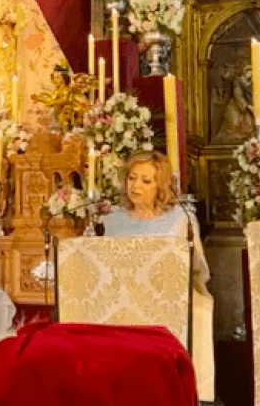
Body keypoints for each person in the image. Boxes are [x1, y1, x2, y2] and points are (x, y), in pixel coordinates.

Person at [100, 151, 216, 403]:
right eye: (131, 178)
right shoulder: (114, 220)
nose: (135, 186)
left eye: (146, 180)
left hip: (168, 297)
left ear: (161, 186)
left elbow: (197, 266)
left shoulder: (179, 219)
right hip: (123, 300)